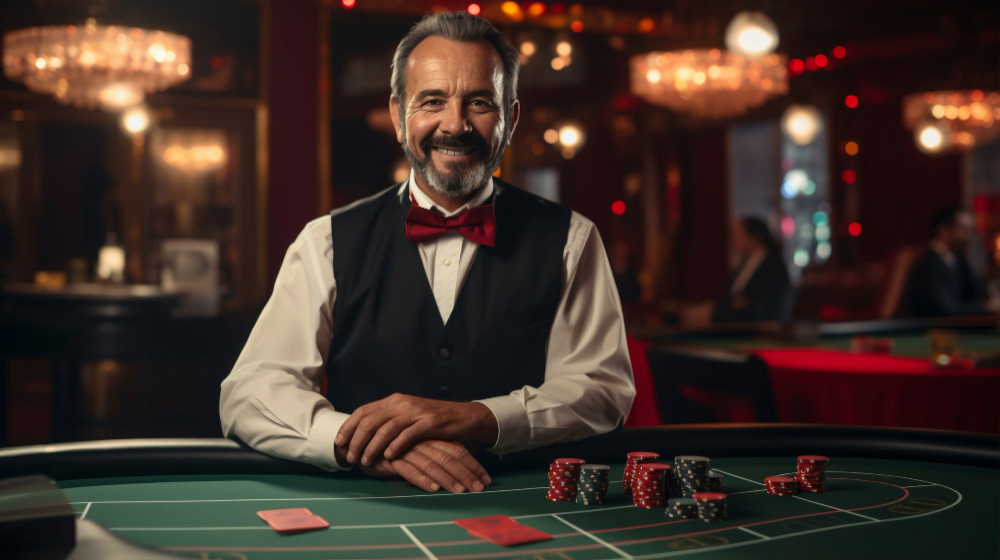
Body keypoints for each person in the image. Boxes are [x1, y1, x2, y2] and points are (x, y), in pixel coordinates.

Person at [219, 12, 634, 495]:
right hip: (368, 509)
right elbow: (249, 393)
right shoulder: (326, 240)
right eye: (432, 101)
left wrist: (478, 417)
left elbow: (602, 390)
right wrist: (369, 444)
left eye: (479, 102)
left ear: (511, 118)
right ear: (399, 116)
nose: (454, 125)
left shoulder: (572, 238)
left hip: (524, 502)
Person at [905, 206, 1000, 317]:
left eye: (971, 230)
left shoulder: (958, 260)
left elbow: (977, 290)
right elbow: (945, 310)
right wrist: (986, 307)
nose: (969, 236)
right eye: (963, 229)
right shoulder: (928, 264)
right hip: (928, 329)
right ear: (943, 231)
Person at [702, 217, 794, 323]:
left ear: (755, 238)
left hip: (760, 333)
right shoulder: (743, 266)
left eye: (736, 236)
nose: (732, 241)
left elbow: (762, 309)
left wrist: (718, 313)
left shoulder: (773, 266)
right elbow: (731, 300)